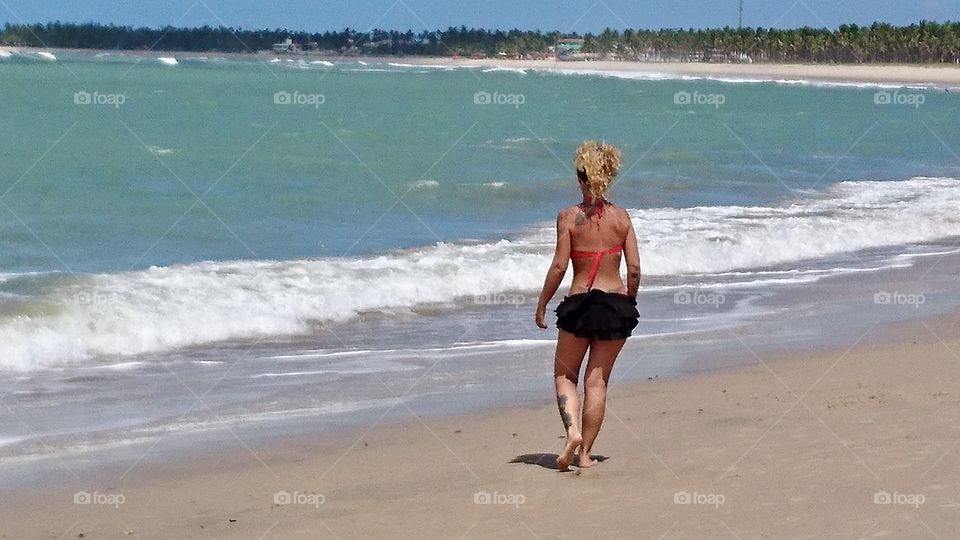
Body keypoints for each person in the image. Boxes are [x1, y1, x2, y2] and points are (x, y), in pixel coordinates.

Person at [535, 140, 641, 471]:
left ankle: (572, 432)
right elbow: (635, 269)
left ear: (580, 176)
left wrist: (542, 305)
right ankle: (585, 455)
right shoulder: (621, 217)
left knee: (564, 374)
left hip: (580, 305)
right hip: (614, 307)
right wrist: (629, 303)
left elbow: (558, 267)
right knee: (597, 381)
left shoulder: (568, 217)